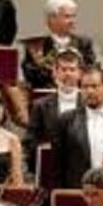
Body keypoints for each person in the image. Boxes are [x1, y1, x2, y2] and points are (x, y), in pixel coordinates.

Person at [24, 48, 83, 185]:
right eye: (63, 69)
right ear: (54, 73)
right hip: (51, 173)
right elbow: (29, 140)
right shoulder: (40, 105)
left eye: (72, 69)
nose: (67, 74)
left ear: (80, 74)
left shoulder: (89, 104)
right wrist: (44, 148)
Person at [22, 0, 97, 91]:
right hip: (46, 95)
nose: (72, 21)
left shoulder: (84, 43)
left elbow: (91, 71)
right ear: (51, 19)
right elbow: (31, 75)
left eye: (74, 16)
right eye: (67, 17)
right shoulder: (36, 45)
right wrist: (58, 75)